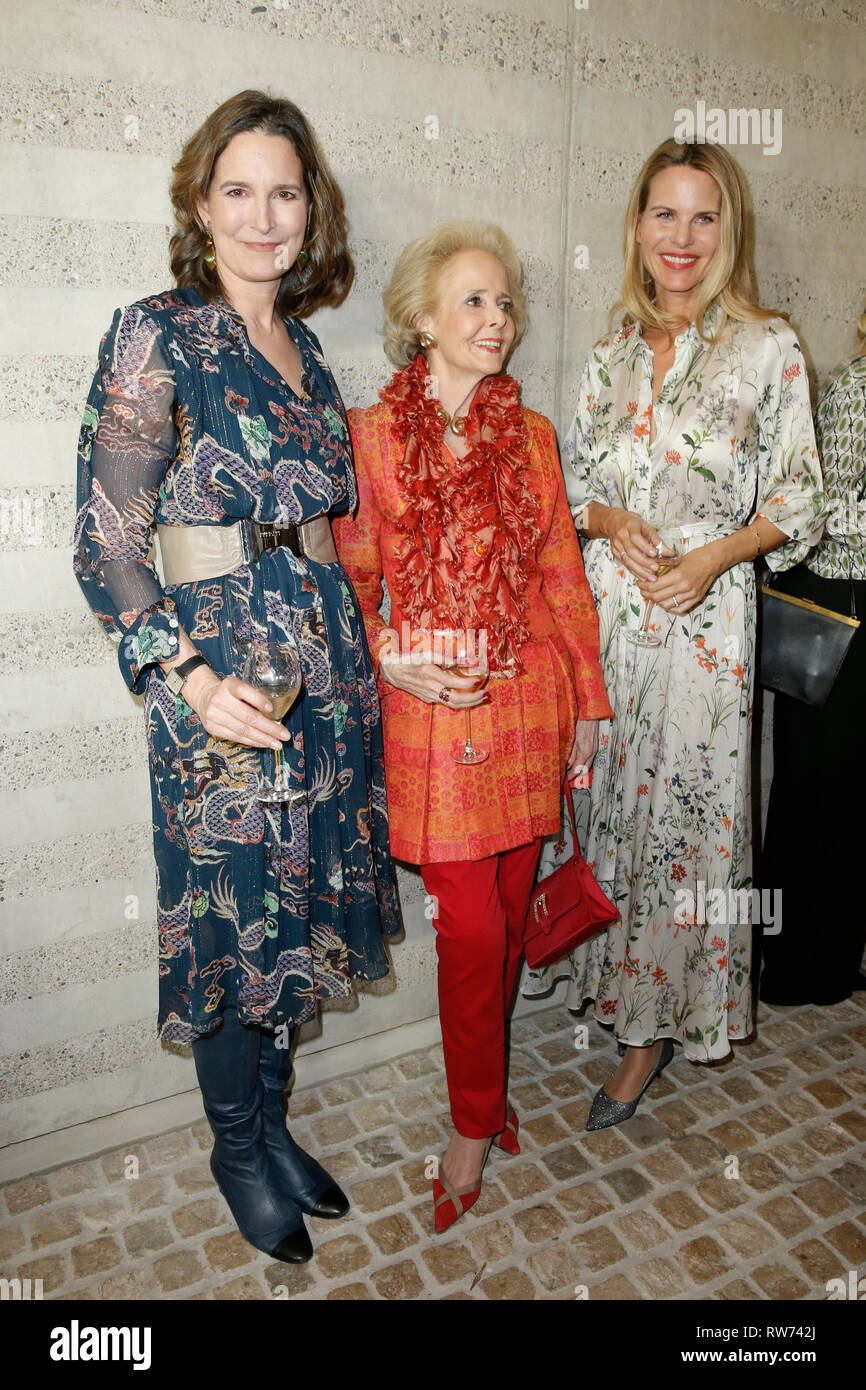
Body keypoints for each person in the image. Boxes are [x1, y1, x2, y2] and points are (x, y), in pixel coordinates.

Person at [73, 90, 401, 1262]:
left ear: (311, 212)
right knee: (231, 919)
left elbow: (324, 526)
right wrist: (185, 675)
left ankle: (271, 1123)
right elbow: (108, 537)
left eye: (285, 190)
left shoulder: (307, 352)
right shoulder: (156, 332)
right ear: (199, 204)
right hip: (222, 678)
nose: (264, 216)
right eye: (238, 190)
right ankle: (233, 1144)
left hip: (325, 666)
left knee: (297, 907)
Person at [524, 139, 825, 1130]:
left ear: (724, 230)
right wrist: (610, 523)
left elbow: (800, 498)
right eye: (664, 215)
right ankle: (609, 990)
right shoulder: (609, 356)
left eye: (702, 218)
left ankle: (652, 1029)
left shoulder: (767, 346)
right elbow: (571, 493)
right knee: (608, 811)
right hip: (609, 624)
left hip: (704, 634)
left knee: (686, 838)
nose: (681, 239)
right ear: (637, 226)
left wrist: (714, 555)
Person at [333, 221, 612, 1229]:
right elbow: (349, 585)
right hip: (435, 717)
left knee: (501, 916)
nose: (495, 320)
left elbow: (559, 577)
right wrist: (385, 649)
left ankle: (486, 1103)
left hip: (528, 697)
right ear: (421, 319)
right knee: (472, 929)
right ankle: (470, 1120)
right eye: (473, 301)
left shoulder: (529, 437)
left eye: (504, 303)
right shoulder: (367, 437)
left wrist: (587, 697)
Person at [760, 305, 866, 1004]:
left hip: (852, 610)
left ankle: (830, 955)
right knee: (816, 792)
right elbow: (833, 514)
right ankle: (796, 966)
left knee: (846, 797)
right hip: (838, 615)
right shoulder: (858, 391)